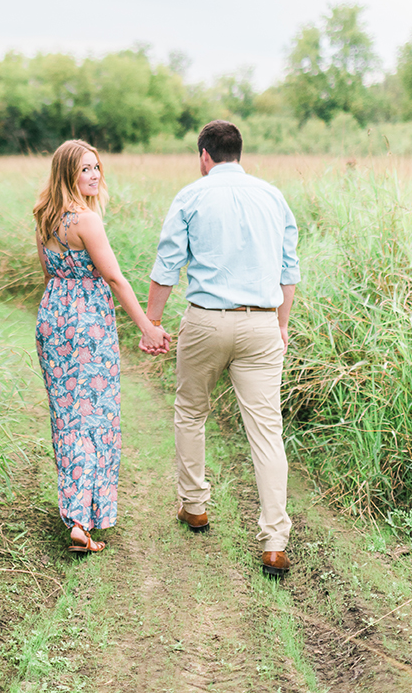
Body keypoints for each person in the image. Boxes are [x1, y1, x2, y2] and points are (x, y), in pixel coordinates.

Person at [145, 120, 300, 577]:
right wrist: (281, 325)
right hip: (262, 324)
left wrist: (152, 322)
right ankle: (274, 541)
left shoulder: (191, 196)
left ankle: (194, 506)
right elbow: (288, 269)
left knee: (192, 411)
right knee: (266, 430)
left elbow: (167, 264)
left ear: (204, 156)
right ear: (238, 153)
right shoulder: (272, 196)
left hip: (207, 321)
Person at [34, 139, 171, 553]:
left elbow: (48, 275)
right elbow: (113, 278)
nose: (94, 175)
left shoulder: (44, 217)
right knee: (94, 416)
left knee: (67, 416)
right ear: (68, 175)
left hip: (53, 318)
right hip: (87, 324)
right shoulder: (86, 221)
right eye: (85, 169)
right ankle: (81, 518)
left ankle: (77, 511)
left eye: (97, 168)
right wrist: (147, 327)